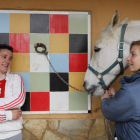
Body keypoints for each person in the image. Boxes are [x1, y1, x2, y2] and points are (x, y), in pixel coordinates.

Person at [101, 40, 140, 140]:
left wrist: (104, 100)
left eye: (133, 54)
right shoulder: (130, 92)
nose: (128, 58)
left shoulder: (129, 91)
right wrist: (118, 96)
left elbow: (110, 110)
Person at [0, 44, 25, 140]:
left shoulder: (16, 78)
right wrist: (9, 115)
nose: (7, 61)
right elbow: (12, 106)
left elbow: (19, 100)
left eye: (10, 58)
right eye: (4, 57)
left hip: (13, 135)